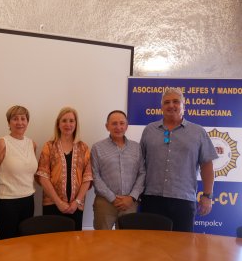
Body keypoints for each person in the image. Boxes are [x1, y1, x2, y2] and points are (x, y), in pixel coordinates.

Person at [140, 88, 218, 232]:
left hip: (183, 200)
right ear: (162, 107)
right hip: (151, 198)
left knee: (182, 249)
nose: (171, 105)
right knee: (150, 246)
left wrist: (207, 196)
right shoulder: (149, 130)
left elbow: (207, 166)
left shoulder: (198, 132)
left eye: (176, 101)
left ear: (184, 105)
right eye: (167, 102)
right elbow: (139, 165)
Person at [36, 107, 92, 230]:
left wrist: (76, 202)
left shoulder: (84, 148)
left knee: (74, 243)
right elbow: (43, 177)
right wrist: (58, 202)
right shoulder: (49, 146)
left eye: (71, 121)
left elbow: (87, 178)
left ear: (76, 124)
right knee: (53, 244)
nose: (68, 124)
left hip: (76, 206)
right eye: (64, 120)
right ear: (58, 124)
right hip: (52, 204)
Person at [0, 105, 37, 240]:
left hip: (28, 200)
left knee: (25, 242)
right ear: (9, 122)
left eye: (23, 119)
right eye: (15, 119)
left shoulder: (32, 144)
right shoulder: (3, 143)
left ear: (27, 122)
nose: (19, 122)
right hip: (8, 203)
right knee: (7, 246)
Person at [91, 110, 145, 230]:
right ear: (107, 126)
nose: (118, 127)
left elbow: (142, 173)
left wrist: (131, 197)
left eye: (122, 123)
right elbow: (95, 176)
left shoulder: (136, 147)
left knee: (127, 243)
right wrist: (112, 198)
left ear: (127, 126)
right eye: (114, 123)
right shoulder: (97, 148)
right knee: (102, 242)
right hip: (105, 203)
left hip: (129, 204)